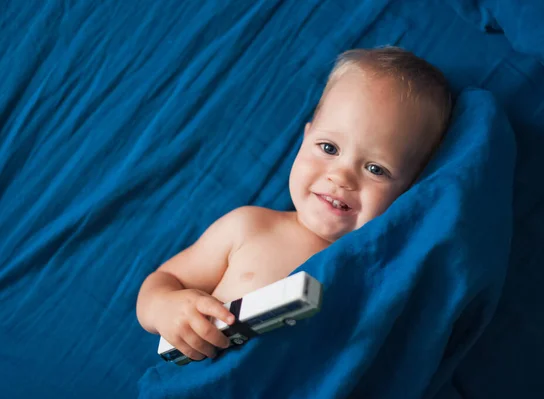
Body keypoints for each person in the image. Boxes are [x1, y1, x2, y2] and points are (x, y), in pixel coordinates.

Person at [136, 46, 453, 361]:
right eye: (328, 147)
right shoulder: (250, 226)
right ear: (305, 138)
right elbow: (164, 281)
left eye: (375, 169)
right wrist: (166, 307)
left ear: (410, 189)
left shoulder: (384, 270)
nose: (340, 177)